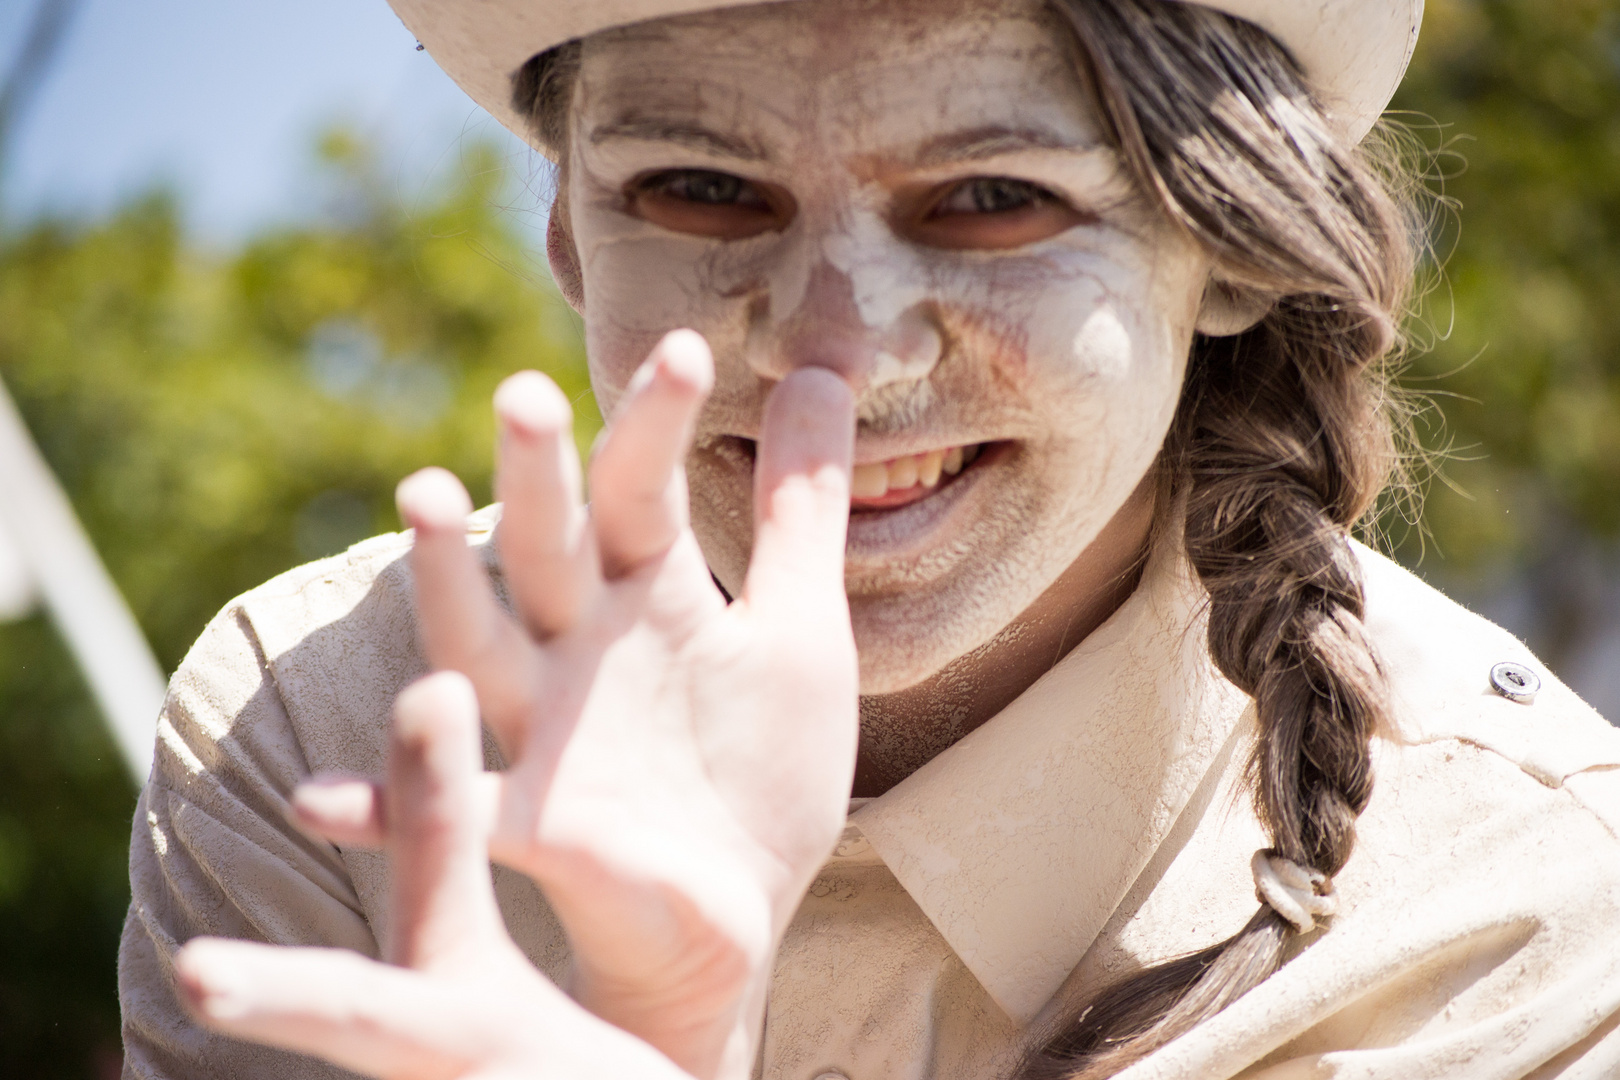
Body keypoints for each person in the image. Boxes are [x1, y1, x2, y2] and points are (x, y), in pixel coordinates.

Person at [118, 0, 1620, 1077]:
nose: (835, 355)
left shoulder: (1515, 905)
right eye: (702, 188)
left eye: (990, 197)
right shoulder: (321, 738)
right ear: (570, 232)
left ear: (1229, 247)